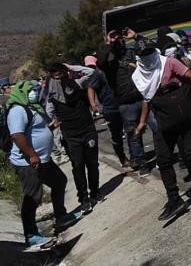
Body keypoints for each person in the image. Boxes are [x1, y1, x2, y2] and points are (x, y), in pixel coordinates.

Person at [132, 43, 191, 220]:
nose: (147, 56)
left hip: (183, 113)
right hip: (163, 119)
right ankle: (174, 199)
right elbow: (147, 99)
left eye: (149, 52)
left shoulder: (168, 62)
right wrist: (141, 122)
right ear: (138, 56)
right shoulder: (138, 75)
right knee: (163, 160)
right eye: (143, 54)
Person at [6, 80, 84, 251]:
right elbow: (17, 136)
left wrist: (51, 126)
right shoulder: (17, 110)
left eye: (36, 89)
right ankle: (31, 235)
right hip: (28, 162)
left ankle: (61, 216)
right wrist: (32, 155)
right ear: (24, 92)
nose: (35, 92)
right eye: (31, 90)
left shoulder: (32, 107)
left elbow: (34, 130)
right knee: (32, 196)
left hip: (43, 159)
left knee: (59, 182)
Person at [97, 28, 156, 177]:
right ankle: (142, 164)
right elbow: (100, 60)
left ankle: (163, 157)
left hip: (144, 99)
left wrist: (136, 36)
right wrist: (108, 42)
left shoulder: (131, 53)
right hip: (125, 103)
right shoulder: (109, 62)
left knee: (158, 127)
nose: (118, 42)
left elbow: (150, 48)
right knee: (134, 135)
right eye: (115, 41)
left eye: (119, 39)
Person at [43, 63, 101, 214]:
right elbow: (48, 113)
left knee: (93, 163)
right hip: (71, 136)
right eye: (52, 73)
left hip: (87, 130)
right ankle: (84, 199)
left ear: (64, 71)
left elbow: (91, 73)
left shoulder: (77, 84)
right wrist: (57, 120)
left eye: (58, 71)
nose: (56, 75)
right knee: (78, 167)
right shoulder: (51, 96)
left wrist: (71, 66)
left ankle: (95, 192)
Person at [85, 54, 126, 167]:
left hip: (123, 104)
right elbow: (91, 88)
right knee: (116, 135)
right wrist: (93, 104)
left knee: (131, 130)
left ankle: (136, 158)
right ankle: (122, 157)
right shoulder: (98, 73)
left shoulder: (117, 69)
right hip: (110, 108)